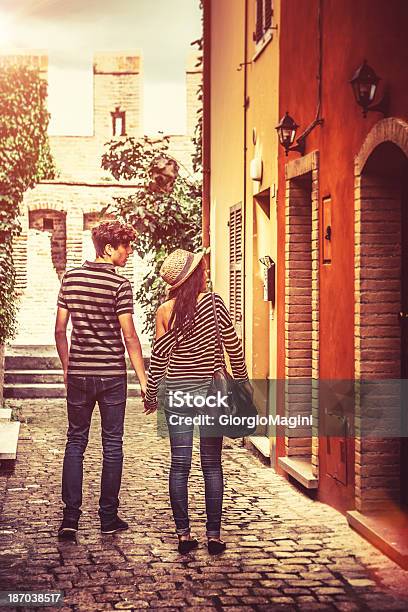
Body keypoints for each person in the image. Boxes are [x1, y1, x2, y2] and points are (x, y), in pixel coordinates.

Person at [143, 248, 249, 554]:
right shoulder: (215, 305)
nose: (207, 274)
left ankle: (184, 535)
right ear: (194, 277)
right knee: (212, 466)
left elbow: (159, 359)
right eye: (202, 269)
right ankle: (214, 536)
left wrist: (151, 395)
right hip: (211, 393)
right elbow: (234, 347)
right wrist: (241, 384)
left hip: (178, 394)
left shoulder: (165, 311)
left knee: (179, 466)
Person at [55, 220, 147, 537]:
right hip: (111, 377)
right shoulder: (120, 285)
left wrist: (68, 368)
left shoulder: (71, 278)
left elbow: (59, 330)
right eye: (125, 246)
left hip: (79, 372)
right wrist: (145, 383)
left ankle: (70, 519)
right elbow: (130, 337)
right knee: (112, 446)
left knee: (75, 443)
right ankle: (108, 518)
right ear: (109, 248)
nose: (129, 251)